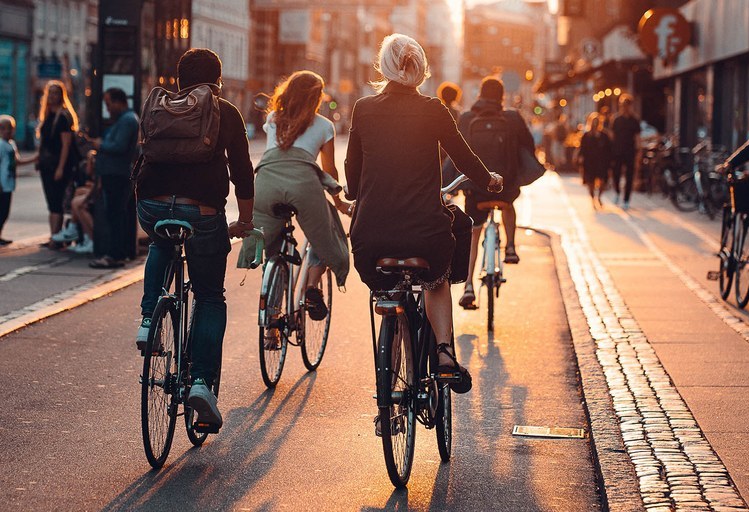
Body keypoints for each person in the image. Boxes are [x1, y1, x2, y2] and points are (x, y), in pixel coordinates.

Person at [345, 33, 503, 402]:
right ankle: (444, 352)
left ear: (383, 66)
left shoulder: (363, 109)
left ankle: (391, 329)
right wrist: (489, 181)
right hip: (424, 233)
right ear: (421, 68)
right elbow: (464, 158)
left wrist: (356, 194)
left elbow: (353, 171)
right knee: (436, 280)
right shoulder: (433, 109)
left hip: (372, 235)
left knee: (387, 288)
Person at [134, 48, 255, 431]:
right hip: (201, 212)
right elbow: (242, 172)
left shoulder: (159, 105)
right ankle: (201, 383)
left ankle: (149, 315)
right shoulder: (225, 111)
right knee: (209, 296)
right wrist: (246, 220)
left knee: (161, 242)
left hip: (151, 205)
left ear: (178, 78)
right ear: (217, 81)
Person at [237, 70, 352, 340]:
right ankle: (312, 286)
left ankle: (271, 327)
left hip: (265, 184)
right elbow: (329, 170)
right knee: (328, 234)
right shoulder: (324, 125)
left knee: (272, 248)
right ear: (317, 97)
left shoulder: (272, 119)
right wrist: (339, 202)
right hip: (304, 187)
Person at [455, 76, 535, 310]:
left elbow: (457, 152)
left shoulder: (468, 118)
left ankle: (468, 284)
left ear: (480, 93)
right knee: (508, 205)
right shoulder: (512, 118)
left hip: (475, 189)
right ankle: (510, 247)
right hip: (505, 186)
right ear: (501, 96)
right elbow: (529, 146)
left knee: (473, 232)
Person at [83, 88, 139, 268]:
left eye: (108, 104)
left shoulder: (127, 120)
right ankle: (117, 254)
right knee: (115, 214)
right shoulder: (124, 120)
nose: (107, 108)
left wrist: (100, 144)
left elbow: (119, 146)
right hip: (114, 174)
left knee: (115, 215)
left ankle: (115, 255)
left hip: (117, 174)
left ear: (118, 102)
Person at [35, 80, 81, 248]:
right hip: (46, 165)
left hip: (58, 165)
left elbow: (66, 145)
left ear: (61, 96)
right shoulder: (47, 115)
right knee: (51, 202)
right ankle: (54, 236)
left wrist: (61, 168)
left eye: (56, 93)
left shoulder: (63, 117)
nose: (53, 96)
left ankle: (56, 239)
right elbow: (44, 142)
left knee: (56, 201)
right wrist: (38, 158)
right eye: (51, 92)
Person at [0, 115, 37, 245]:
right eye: (3, 128)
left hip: (9, 183)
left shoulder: (11, 144)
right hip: (2, 184)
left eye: (10, 128)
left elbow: (17, 162)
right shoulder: (0, 145)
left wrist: (34, 159)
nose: (7, 131)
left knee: (4, 212)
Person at [573, 112, 612, 209]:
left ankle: (599, 196)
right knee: (590, 182)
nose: (595, 124)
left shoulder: (604, 135)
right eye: (593, 122)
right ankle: (592, 199)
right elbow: (582, 148)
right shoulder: (586, 135)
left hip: (601, 161)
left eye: (597, 122)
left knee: (603, 181)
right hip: (589, 161)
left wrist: (610, 161)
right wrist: (580, 158)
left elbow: (609, 149)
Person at [610, 94, 641, 209]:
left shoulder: (634, 120)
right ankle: (617, 192)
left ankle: (626, 199)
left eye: (627, 105)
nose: (624, 107)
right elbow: (612, 137)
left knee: (629, 176)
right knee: (616, 174)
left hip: (630, 152)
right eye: (623, 105)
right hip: (617, 151)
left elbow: (637, 138)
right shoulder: (616, 120)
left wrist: (638, 153)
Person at [66, 150, 97, 254]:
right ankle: (84, 235)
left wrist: (87, 197)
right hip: (96, 192)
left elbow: (97, 187)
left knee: (77, 203)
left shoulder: (101, 164)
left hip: (99, 194)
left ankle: (92, 239)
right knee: (78, 192)